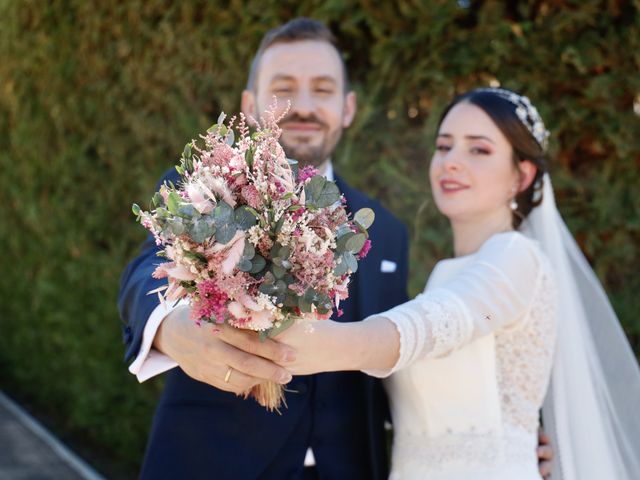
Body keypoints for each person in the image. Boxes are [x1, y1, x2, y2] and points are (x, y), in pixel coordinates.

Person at [119, 19, 553, 479]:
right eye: (284, 88)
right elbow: (147, 271)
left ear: (348, 108)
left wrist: (507, 439)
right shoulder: (206, 189)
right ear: (250, 106)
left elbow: (403, 362)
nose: (303, 106)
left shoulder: (385, 230)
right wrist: (169, 327)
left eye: (322, 90)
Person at [275, 87, 640, 479]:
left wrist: (306, 342)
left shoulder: (518, 257)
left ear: (522, 174)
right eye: (444, 146)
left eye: (478, 150)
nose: (451, 162)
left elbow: (430, 327)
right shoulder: (442, 277)